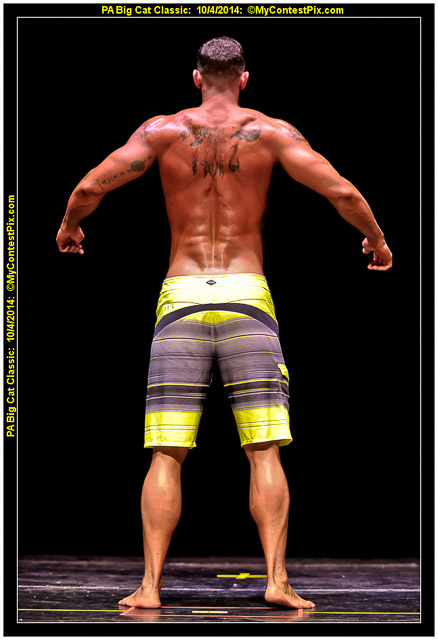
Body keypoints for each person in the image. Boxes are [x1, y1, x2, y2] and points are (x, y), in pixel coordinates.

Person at [56, 36, 392, 610]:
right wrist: (376, 240)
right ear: (243, 78)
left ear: (196, 77)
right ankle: (277, 581)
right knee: (264, 449)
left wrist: (69, 227)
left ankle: (150, 587)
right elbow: (341, 191)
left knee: (167, 451)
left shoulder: (162, 131)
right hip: (246, 296)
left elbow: (89, 187)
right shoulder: (273, 132)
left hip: (182, 295)